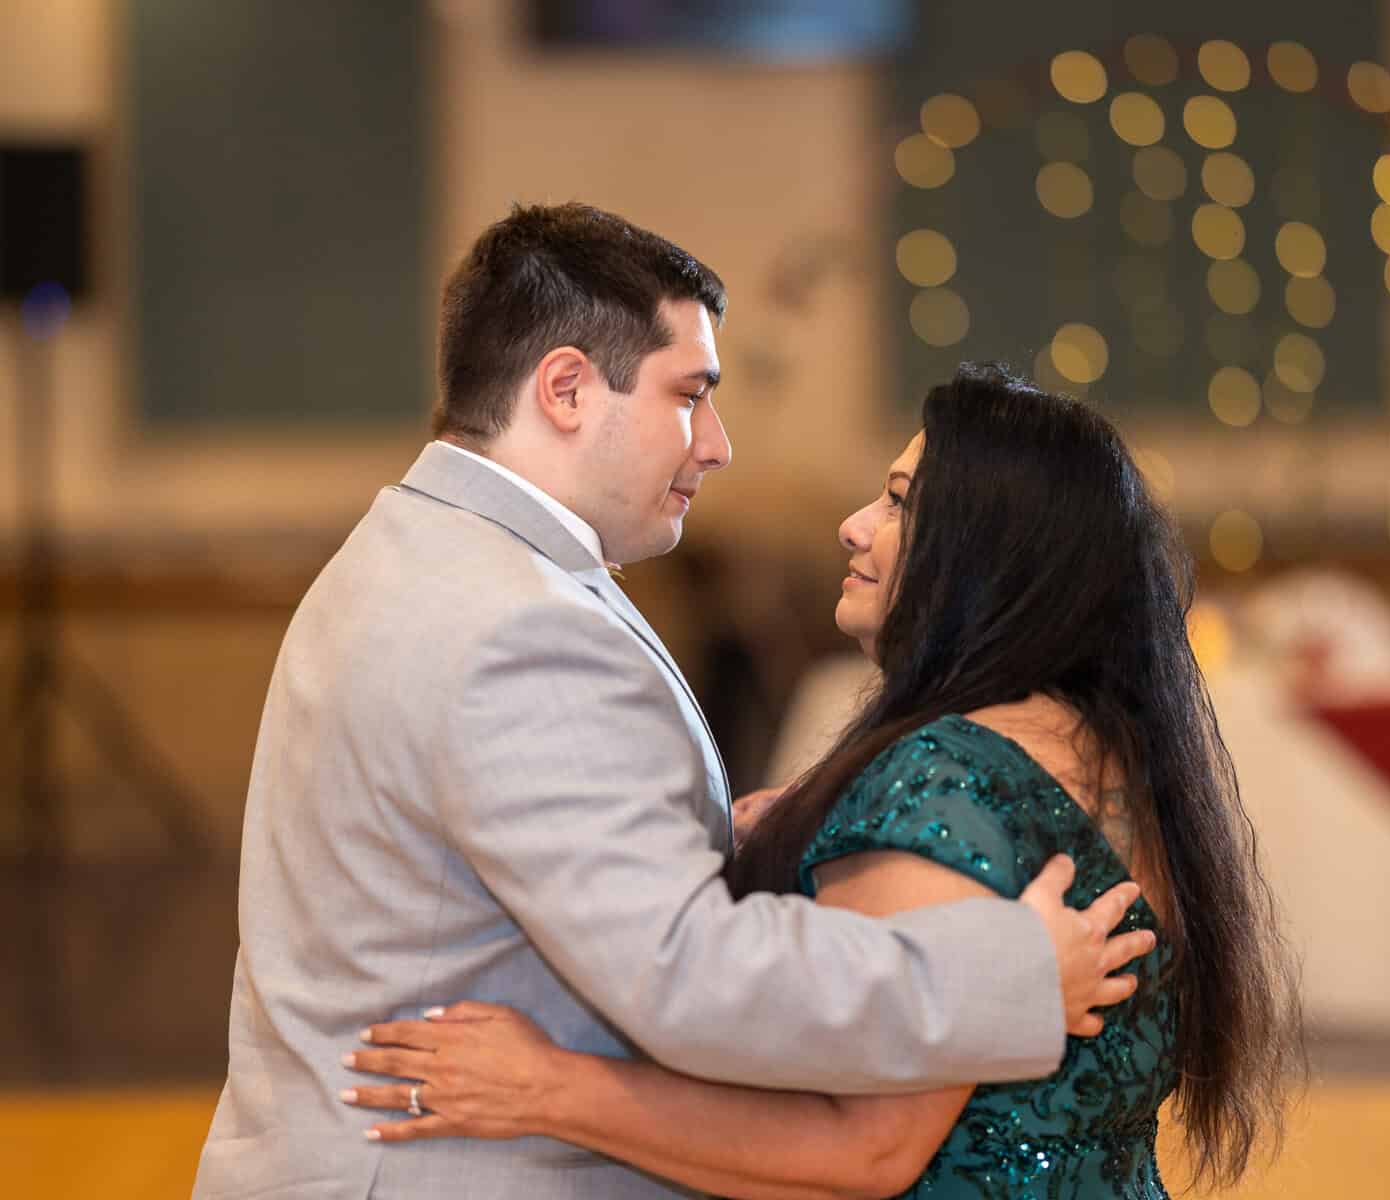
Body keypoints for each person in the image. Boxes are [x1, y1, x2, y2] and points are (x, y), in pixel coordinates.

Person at [192, 210, 1154, 1200]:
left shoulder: (423, 552)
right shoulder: (518, 626)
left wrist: (731, 840)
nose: (718, 444)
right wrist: (1007, 973)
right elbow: (686, 975)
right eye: (689, 396)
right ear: (564, 389)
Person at [342, 364, 1303, 1197]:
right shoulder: (1107, 758)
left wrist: (543, 1087)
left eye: (897, 503)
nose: (853, 526)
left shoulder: (942, 780)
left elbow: (866, 1151)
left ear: (986, 557)